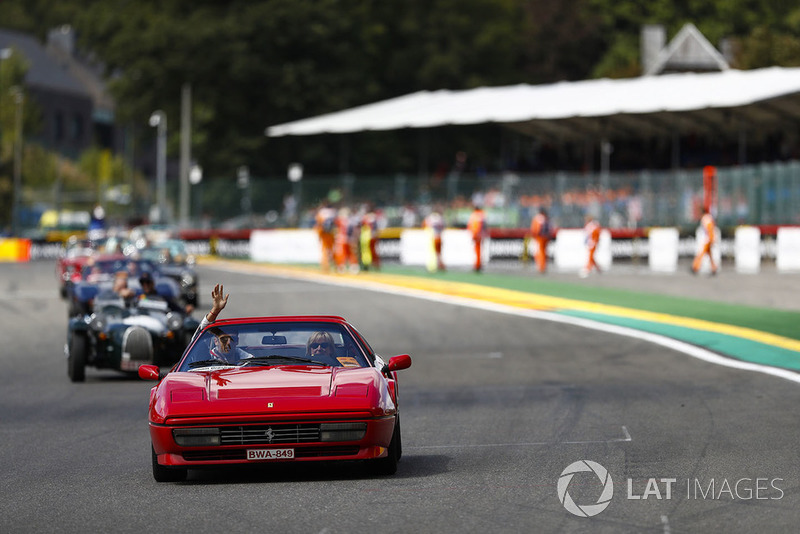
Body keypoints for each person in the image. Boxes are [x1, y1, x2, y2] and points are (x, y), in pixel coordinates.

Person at [192, 283, 252, 362]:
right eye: (224, 339)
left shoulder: (248, 360)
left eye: (232, 339)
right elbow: (197, 338)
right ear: (216, 341)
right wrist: (215, 311)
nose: (228, 343)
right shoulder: (206, 358)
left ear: (237, 341)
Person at [692, 208, 718, 275]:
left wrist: (711, 238)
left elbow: (709, 228)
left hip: (707, 240)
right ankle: (713, 267)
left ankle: (696, 267)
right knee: (709, 254)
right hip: (708, 239)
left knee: (701, 253)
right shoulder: (708, 217)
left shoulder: (706, 218)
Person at [315, 201, 337, 272]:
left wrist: (319, 234)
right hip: (332, 233)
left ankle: (325, 266)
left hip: (324, 234)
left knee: (324, 250)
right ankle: (336, 265)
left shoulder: (321, 212)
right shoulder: (334, 212)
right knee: (333, 249)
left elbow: (318, 224)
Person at [529, 208, 552, 274]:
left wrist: (534, 236)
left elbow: (535, 229)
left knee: (540, 252)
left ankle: (541, 266)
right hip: (545, 237)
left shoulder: (537, 218)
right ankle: (543, 266)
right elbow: (550, 228)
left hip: (539, 237)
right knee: (544, 252)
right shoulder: (546, 218)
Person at [423, 207, 446, 272]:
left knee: (433, 253)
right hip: (439, 236)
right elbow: (443, 226)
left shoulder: (430, 218)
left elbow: (425, 225)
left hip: (433, 238)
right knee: (439, 253)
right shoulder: (440, 218)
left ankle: (435, 266)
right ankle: (440, 265)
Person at [467, 203, 487, 272]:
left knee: (477, 250)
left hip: (476, 234)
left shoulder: (474, 215)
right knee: (479, 250)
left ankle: (477, 264)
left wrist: (473, 234)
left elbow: (471, 226)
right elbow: (484, 226)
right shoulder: (482, 214)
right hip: (480, 234)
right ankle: (478, 264)